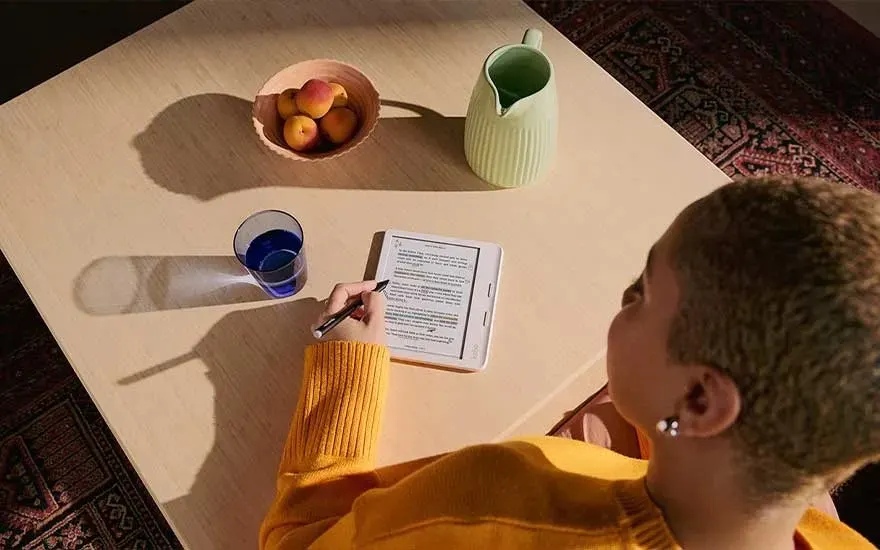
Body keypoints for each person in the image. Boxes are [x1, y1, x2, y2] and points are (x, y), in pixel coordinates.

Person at [260, 177, 879, 549]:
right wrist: (659, 426)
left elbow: (302, 541)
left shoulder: (501, 492)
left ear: (698, 401)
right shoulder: (828, 531)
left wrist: (346, 374)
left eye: (642, 292)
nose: (623, 298)